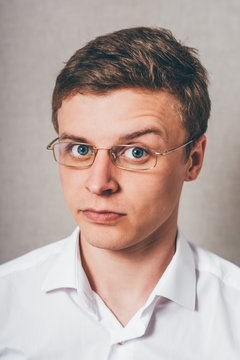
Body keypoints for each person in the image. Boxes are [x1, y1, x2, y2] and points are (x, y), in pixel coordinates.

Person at [0, 27, 239, 359]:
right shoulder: (5, 303)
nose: (99, 184)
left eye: (136, 152)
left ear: (193, 160)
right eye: (80, 149)